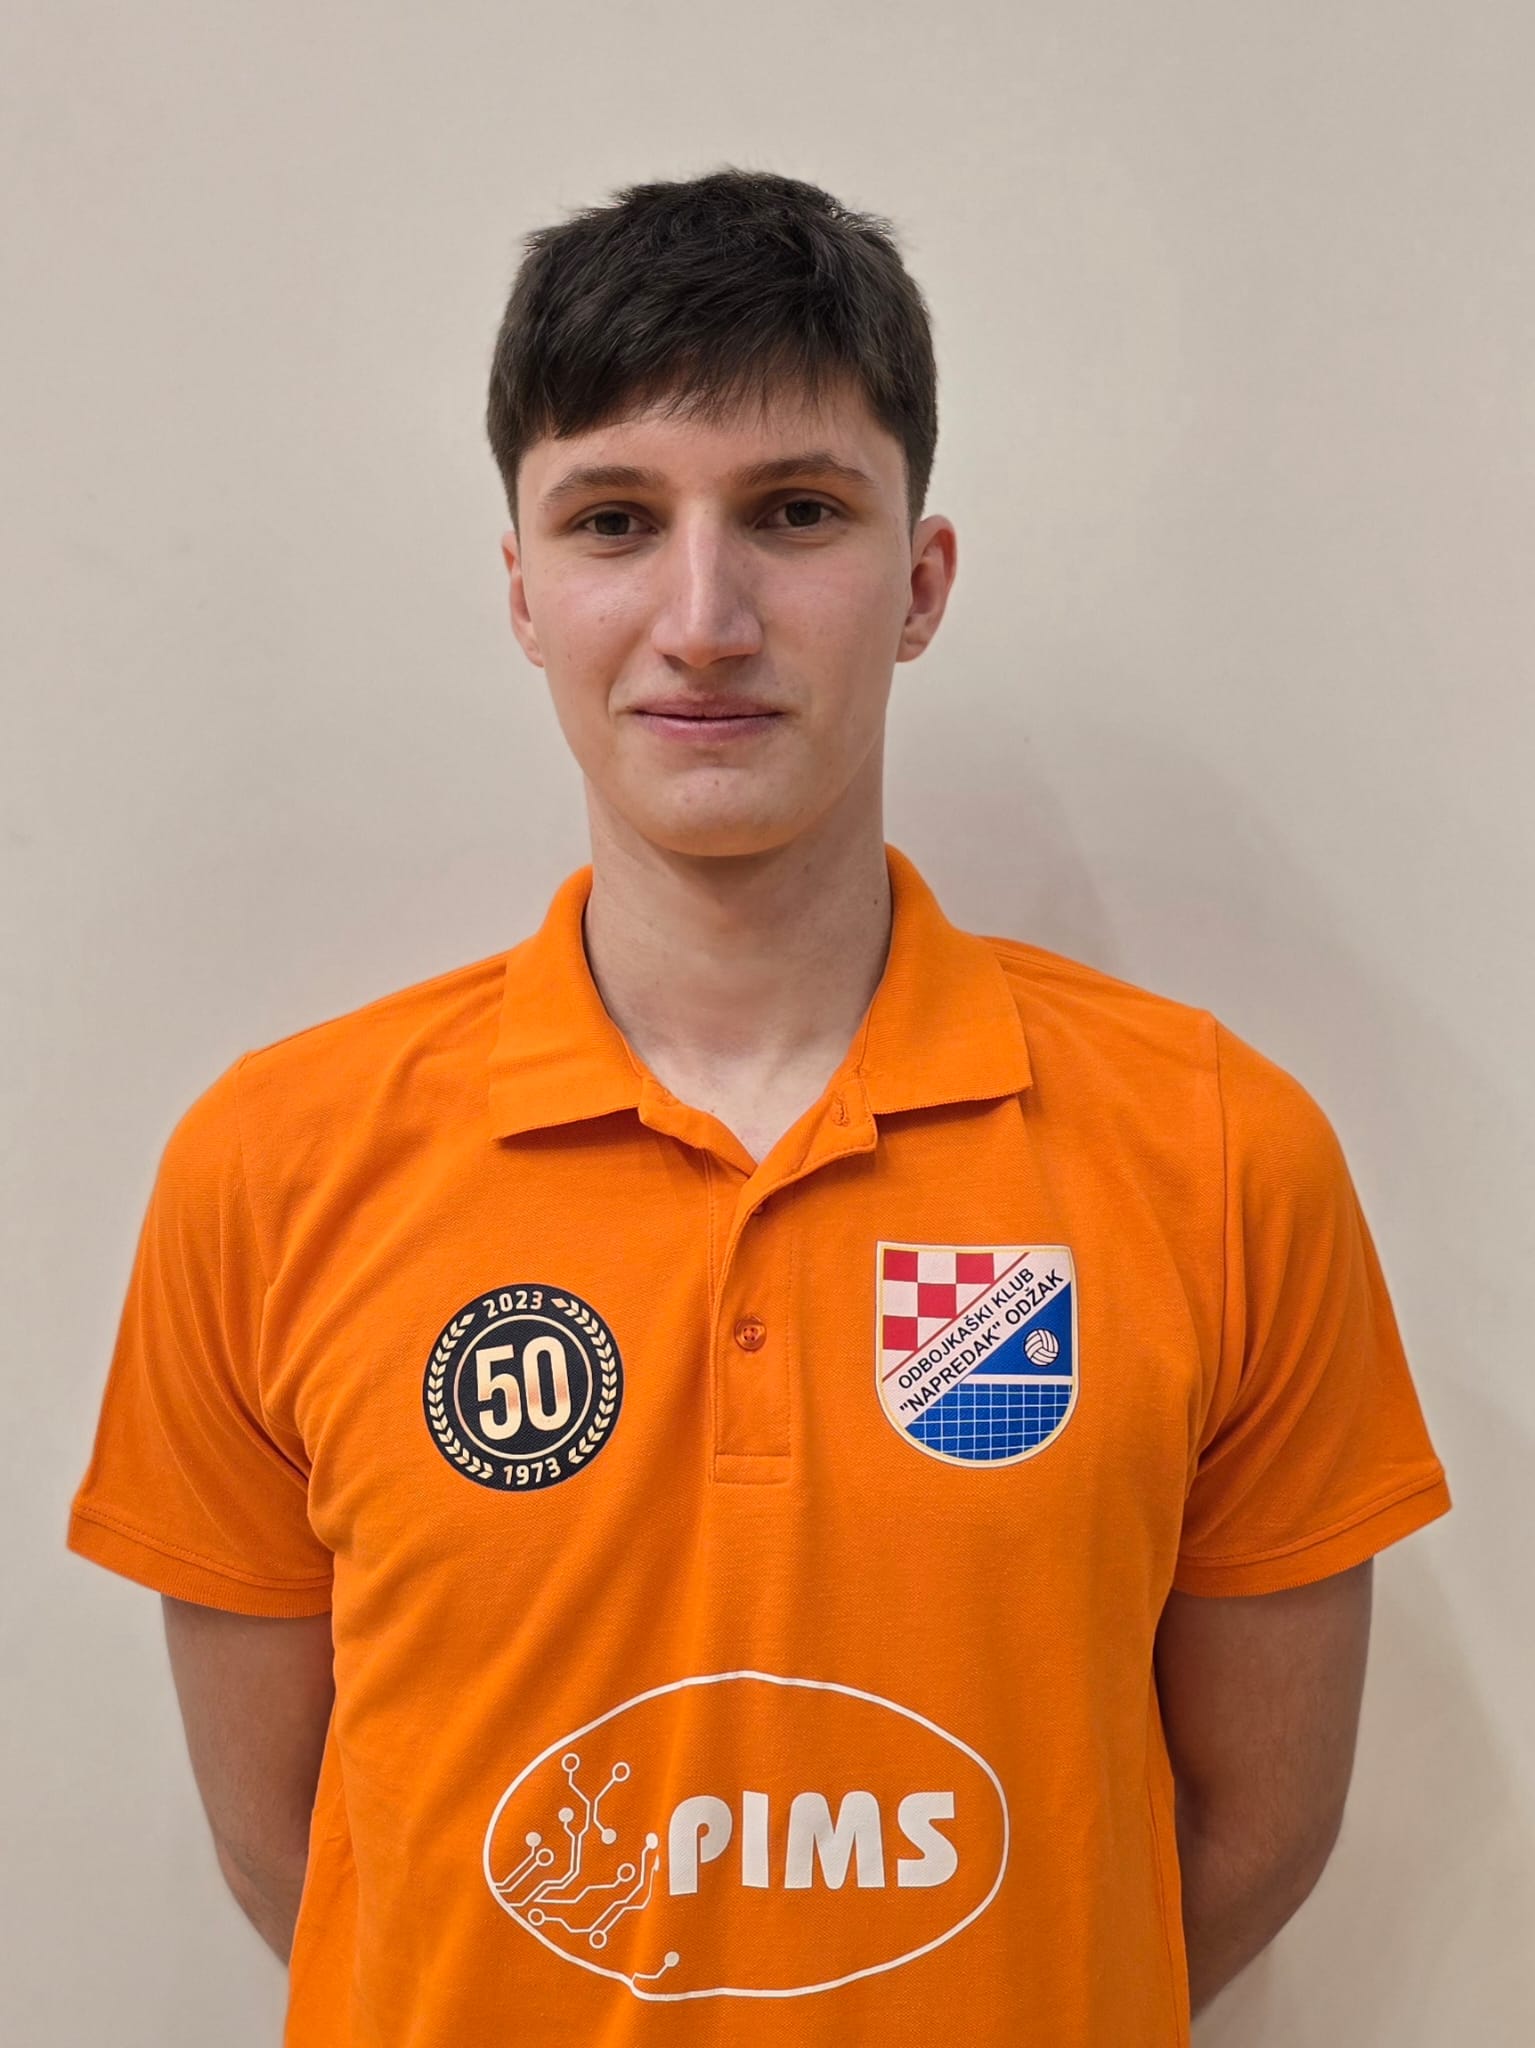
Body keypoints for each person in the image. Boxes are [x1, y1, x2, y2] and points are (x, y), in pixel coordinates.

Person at [67, 166, 1452, 2047]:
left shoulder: (1219, 1153)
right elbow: (306, 1857)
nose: (704, 617)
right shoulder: (272, 1165)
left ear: (921, 582)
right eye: (615, 520)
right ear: (525, 592)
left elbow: (1246, 1837)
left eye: (795, 512)